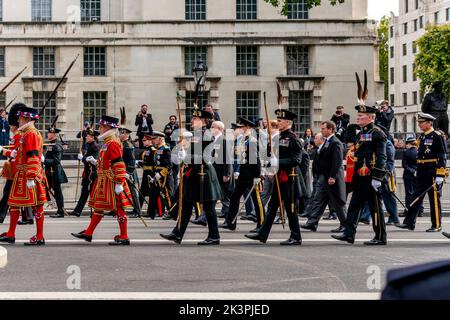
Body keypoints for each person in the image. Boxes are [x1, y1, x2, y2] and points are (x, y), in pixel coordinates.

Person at [332, 73, 388, 246]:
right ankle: (349, 233)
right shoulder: (362, 133)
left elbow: (382, 156)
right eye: (358, 116)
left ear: (371, 118)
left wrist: (378, 177)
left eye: (361, 116)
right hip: (359, 176)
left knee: (375, 208)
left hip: (371, 176)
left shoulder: (377, 133)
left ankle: (380, 237)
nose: (358, 118)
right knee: (355, 205)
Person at [160, 109, 223, 245]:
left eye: (195, 119)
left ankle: (214, 236)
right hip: (193, 174)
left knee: (209, 208)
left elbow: (206, 157)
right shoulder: (196, 134)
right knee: (187, 205)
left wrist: (187, 156)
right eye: (193, 118)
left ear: (203, 121)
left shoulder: (206, 134)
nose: (192, 120)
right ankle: (177, 234)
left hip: (204, 174)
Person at [71, 115, 133, 245]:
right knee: (98, 207)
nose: (99, 129)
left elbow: (119, 163)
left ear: (108, 127)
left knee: (119, 208)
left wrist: (119, 182)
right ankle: (88, 233)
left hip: (111, 180)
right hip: (103, 179)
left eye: (101, 126)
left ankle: (124, 236)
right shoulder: (107, 142)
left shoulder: (113, 143)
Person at [245, 109, 303, 246]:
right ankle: (263, 233)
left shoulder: (294, 139)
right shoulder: (278, 138)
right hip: (278, 177)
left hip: (289, 179)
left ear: (288, 122)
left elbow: (296, 160)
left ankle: (296, 237)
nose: (278, 122)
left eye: (280, 120)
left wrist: (277, 162)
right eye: (277, 120)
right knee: (272, 206)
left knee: (291, 209)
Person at [0, 104, 47, 246]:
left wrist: (31, 176)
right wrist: (12, 153)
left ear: (27, 119)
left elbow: (33, 156)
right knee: (13, 204)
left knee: (37, 206)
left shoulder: (31, 133)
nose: (18, 121)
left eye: (20, 119)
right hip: (21, 174)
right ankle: (11, 233)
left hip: (28, 174)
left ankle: (39, 236)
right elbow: (22, 152)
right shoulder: (26, 133)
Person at [397, 112, 447, 232]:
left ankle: (436, 225)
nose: (419, 125)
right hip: (422, 171)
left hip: (432, 171)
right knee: (416, 196)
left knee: (433, 199)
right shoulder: (422, 136)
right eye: (419, 122)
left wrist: (440, 173)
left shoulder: (437, 135)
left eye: (421, 122)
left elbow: (442, 155)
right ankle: (409, 222)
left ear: (429, 123)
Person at [301, 121, 347, 233]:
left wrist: (332, 176)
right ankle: (312, 223)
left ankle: (345, 224)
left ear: (330, 129)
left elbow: (337, 161)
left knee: (337, 202)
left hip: (331, 177)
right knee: (318, 200)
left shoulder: (335, 142)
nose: (321, 130)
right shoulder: (328, 141)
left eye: (323, 128)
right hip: (323, 177)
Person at [220, 118, 263, 233]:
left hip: (252, 175)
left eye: (242, 127)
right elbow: (240, 158)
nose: (240, 128)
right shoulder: (244, 141)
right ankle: (231, 222)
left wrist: (257, 176)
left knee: (256, 200)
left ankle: (261, 225)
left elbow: (256, 161)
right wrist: (238, 171)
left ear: (248, 127)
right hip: (243, 175)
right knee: (235, 197)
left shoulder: (252, 141)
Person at [70, 128, 99, 217]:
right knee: (84, 193)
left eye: (88, 136)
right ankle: (77, 211)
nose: (86, 137)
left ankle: (96, 211)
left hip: (92, 174)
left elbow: (92, 160)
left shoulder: (95, 146)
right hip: (88, 173)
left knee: (92, 193)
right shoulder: (89, 145)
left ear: (93, 137)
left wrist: (82, 158)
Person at [45, 122, 68, 218]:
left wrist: (44, 160)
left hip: (55, 171)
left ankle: (60, 211)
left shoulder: (57, 146)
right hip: (50, 171)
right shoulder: (52, 144)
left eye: (49, 133)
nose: (47, 134)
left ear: (54, 135)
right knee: (45, 188)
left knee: (58, 191)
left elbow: (57, 160)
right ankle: (51, 204)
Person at [401, 135, 423, 219]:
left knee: (409, 193)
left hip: (409, 175)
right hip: (418, 175)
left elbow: (404, 165)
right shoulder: (420, 151)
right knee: (418, 193)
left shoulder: (406, 152)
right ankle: (420, 210)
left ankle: (408, 210)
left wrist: (412, 171)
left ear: (408, 144)